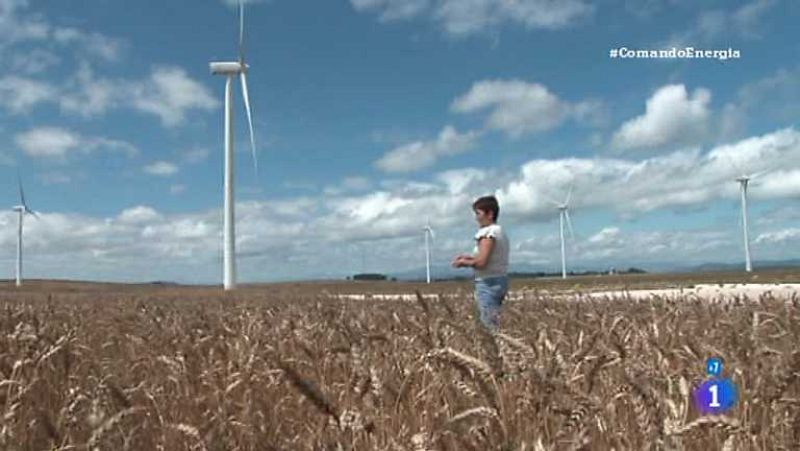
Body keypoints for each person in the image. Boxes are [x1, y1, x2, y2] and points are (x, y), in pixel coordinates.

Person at [451, 195, 510, 329]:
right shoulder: (499, 231)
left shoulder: (488, 233)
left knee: (488, 326)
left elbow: (482, 262)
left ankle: (493, 349)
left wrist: (463, 263)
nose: (476, 217)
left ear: (490, 214)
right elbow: (489, 257)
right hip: (500, 279)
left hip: (488, 283)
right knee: (493, 321)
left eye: (478, 213)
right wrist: (468, 258)